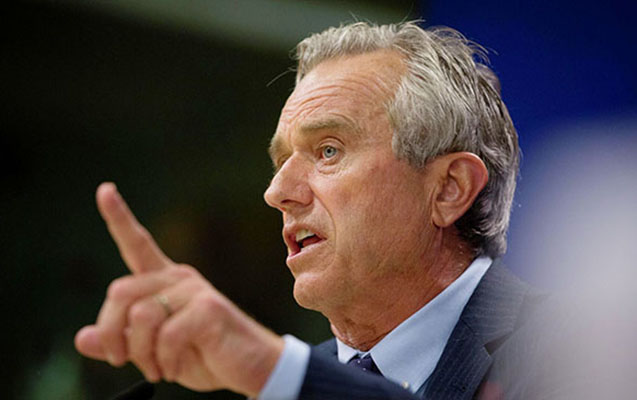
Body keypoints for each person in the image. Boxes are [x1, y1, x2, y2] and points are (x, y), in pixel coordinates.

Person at [75, 21, 541, 399]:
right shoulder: (283, 383)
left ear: (448, 189)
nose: (277, 191)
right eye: (281, 161)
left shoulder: (571, 352)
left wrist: (274, 371)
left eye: (328, 151)